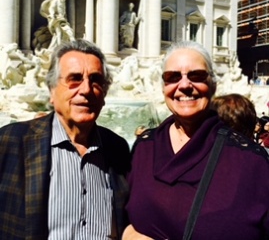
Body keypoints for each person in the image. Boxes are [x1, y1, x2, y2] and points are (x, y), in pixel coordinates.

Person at [123, 40, 269, 240]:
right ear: (163, 86)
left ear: (213, 85)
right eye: (173, 77)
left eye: (197, 76)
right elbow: (122, 215)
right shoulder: (143, 149)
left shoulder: (252, 162)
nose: (184, 85)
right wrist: (129, 234)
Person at [0, 39, 131, 240]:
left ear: (104, 94)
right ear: (52, 92)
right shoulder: (10, 142)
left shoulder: (117, 148)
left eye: (95, 80)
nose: (86, 90)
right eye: (74, 79)